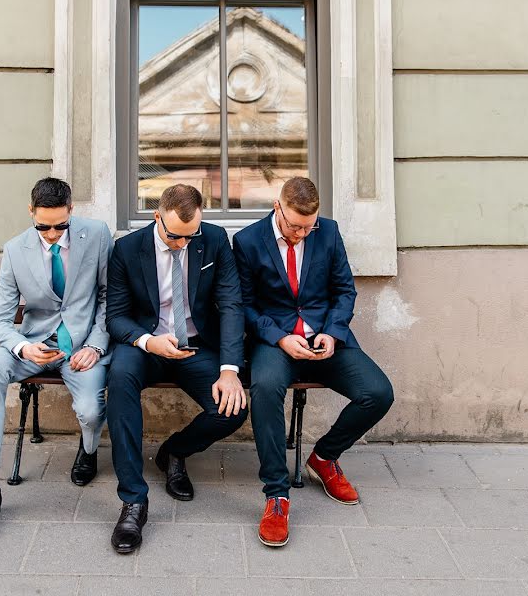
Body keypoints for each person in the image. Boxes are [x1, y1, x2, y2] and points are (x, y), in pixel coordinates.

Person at [232, 176, 394, 547]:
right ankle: (277, 494)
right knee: (266, 388)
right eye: (295, 225)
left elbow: (344, 290)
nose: (302, 233)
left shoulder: (329, 232)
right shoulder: (247, 241)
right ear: (278, 208)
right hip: (275, 341)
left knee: (378, 392)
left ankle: (324, 457)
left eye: (309, 226)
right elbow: (244, 305)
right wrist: (279, 337)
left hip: (324, 339)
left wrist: (332, 332)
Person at [0, 177, 112, 540]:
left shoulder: (96, 235)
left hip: (81, 349)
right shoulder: (15, 250)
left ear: (71, 211)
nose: (51, 233)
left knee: (91, 412)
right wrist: (22, 347)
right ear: (31, 213)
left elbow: (111, 297)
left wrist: (94, 345)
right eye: (43, 225)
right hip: (34, 346)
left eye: (60, 225)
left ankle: (89, 450)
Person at [105, 184, 247, 554]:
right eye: (174, 236)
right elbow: (116, 317)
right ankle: (134, 500)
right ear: (157, 217)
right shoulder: (127, 249)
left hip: (194, 346)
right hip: (146, 345)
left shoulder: (215, 240)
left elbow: (231, 304)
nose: (183, 244)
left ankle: (174, 451)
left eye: (190, 235)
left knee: (233, 408)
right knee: (118, 379)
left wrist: (229, 369)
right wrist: (148, 341)